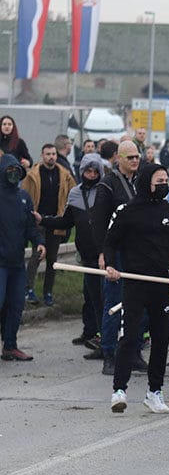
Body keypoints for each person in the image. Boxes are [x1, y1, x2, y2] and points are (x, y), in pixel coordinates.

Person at [103, 163, 169, 414]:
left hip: (162, 284)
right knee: (130, 337)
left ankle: (155, 391)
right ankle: (119, 389)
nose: (164, 184)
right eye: (159, 180)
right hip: (134, 283)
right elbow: (110, 242)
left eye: (166, 180)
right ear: (145, 182)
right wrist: (110, 266)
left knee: (162, 339)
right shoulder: (126, 211)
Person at [39, 153, 105, 349]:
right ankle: (89, 332)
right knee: (89, 295)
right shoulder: (75, 193)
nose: (91, 175)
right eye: (88, 171)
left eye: (95, 171)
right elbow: (67, 221)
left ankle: (104, 338)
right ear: (82, 171)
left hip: (102, 254)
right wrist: (43, 220)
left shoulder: (104, 192)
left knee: (100, 297)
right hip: (86, 254)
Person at [91, 141, 142, 373]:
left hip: (139, 252)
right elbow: (99, 223)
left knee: (139, 303)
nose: (134, 160)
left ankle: (134, 351)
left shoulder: (141, 181)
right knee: (113, 303)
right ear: (118, 159)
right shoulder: (108, 184)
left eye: (137, 156)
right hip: (117, 251)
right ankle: (109, 353)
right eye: (130, 157)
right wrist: (104, 253)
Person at [0, 154, 45, 362]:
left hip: (17, 263)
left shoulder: (24, 197)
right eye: (9, 170)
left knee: (17, 305)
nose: (13, 174)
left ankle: (10, 346)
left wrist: (39, 242)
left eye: (16, 171)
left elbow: (30, 226)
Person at [21, 143, 76, 306]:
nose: (51, 157)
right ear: (42, 155)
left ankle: (48, 293)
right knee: (37, 255)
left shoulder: (64, 175)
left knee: (52, 259)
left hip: (56, 221)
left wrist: (67, 215)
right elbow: (26, 195)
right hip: (38, 220)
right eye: (48, 154)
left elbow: (73, 192)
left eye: (53, 154)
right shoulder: (33, 175)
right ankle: (28, 289)